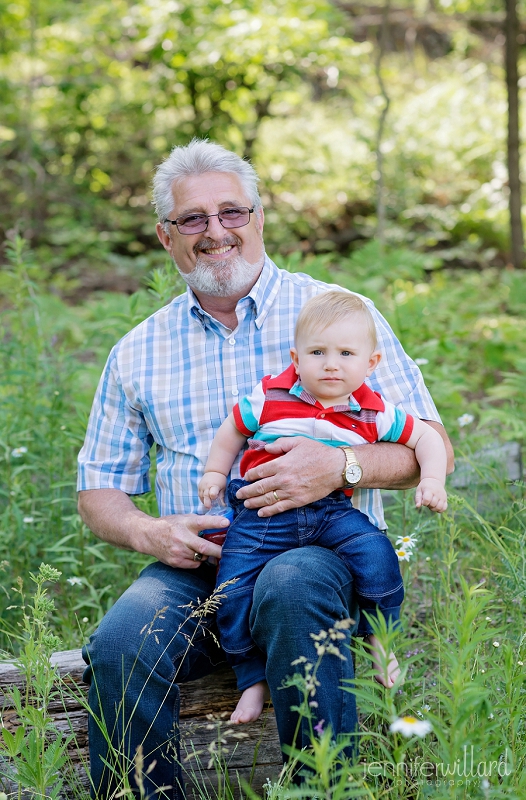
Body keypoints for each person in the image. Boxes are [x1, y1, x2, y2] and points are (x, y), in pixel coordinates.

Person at [77, 138, 454, 799]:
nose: (215, 231)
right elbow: (98, 489)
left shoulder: (339, 315)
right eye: (193, 219)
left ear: (258, 218)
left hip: (316, 552)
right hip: (198, 567)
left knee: (292, 584)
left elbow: (430, 445)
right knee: (119, 643)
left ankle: (325, 789)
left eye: (231, 211)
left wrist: (342, 466)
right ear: (167, 237)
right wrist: (148, 533)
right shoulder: (137, 352)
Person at [199, 291, 448, 723]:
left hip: (332, 512)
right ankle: (250, 679)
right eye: (318, 352)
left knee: (376, 552)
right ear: (297, 358)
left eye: (346, 353)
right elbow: (231, 431)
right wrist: (215, 476)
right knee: (232, 586)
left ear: (371, 363)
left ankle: (379, 639)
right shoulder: (270, 396)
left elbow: (426, 438)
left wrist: (432, 480)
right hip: (262, 514)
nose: (331, 364)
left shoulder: (372, 409)